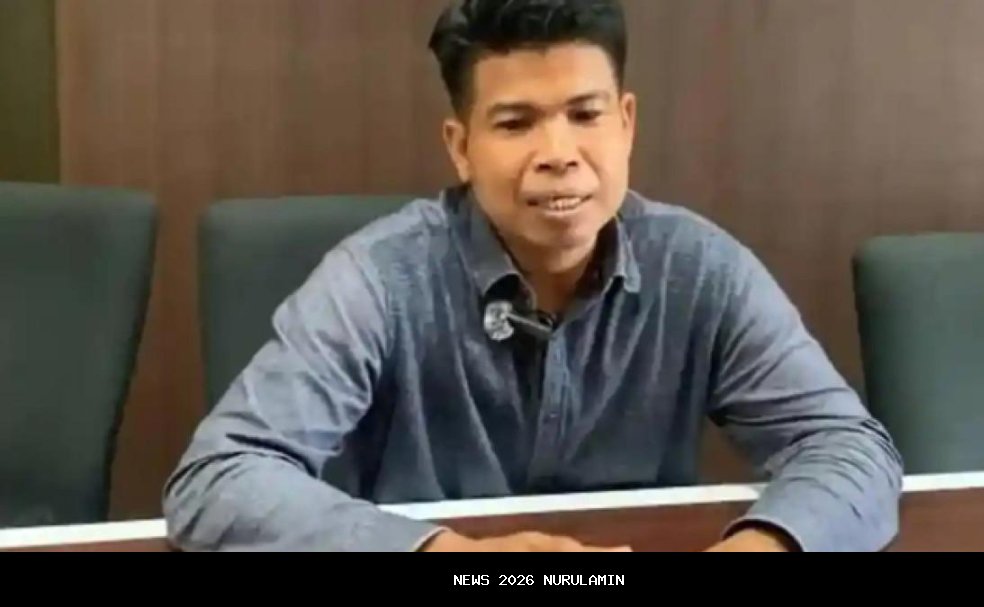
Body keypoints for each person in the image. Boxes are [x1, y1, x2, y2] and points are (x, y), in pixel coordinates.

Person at [164, 0, 902, 552]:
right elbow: (218, 478)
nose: (559, 153)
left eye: (585, 114)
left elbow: (851, 448)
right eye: (516, 123)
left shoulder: (700, 268)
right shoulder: (376, 279)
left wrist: (764, 548)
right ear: (460, 146)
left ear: (626, 122)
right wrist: (452, 558)